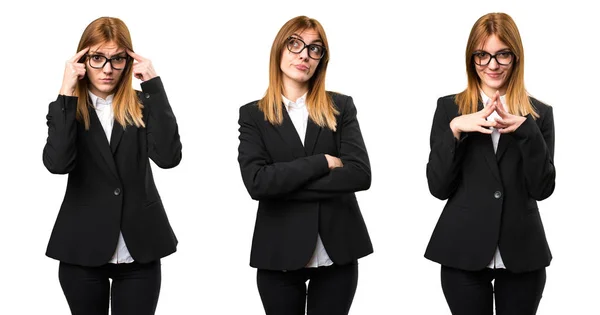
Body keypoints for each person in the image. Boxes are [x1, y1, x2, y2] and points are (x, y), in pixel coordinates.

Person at [42, 16, 181, 315]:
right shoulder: (65, 109)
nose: (107, 69)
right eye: (97, 58)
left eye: (117, 59)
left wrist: (154, 86)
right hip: (81, 249)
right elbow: (58, 164)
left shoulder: (144, 104)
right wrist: (66, 91)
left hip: (139, 250)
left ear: (128, 61)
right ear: (82, 59)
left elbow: (169, 158)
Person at [237, 15, 373, 315]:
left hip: (338, 253)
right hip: (278, 253)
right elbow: (257, 183)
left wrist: (283, 184)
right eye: (295, 43)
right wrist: (323, 161)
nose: (304, 54)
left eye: (315, 48)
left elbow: (360, 175)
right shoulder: (252, 115)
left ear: (321, 60)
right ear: (279, 50)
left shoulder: (341, 107)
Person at [424, 12, 555, 315]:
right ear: (472, 59)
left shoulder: (539, 114)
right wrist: (456, 129)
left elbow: (542, 188)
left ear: (516, 57)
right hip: (462, 253)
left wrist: (527, 132)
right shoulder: (449, 109)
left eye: (502, 55)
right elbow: (438, 187)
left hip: (522, 254)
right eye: (482, 55)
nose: (492, 65)